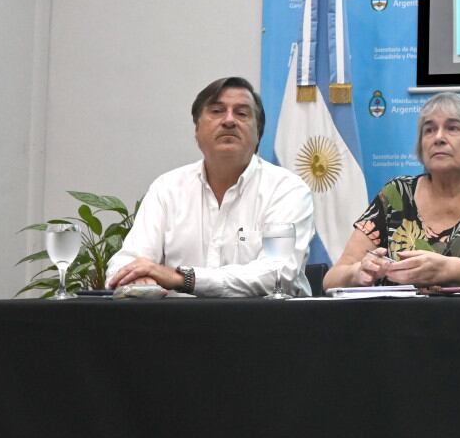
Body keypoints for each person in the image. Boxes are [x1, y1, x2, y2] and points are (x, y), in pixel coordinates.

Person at [108, 76, 315, 296]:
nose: (229, 120)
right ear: (197, 130)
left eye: (242, 113)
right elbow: (126, 262)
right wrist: (140, 278)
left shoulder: (287, 190)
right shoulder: (167, 188)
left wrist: (181, 279)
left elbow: (277, 275)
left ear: (258, 134)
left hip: (265, 324)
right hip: (177, 325)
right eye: (217, 111)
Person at [322, 92, 460, 293]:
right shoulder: (396, 194)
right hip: (400, 327)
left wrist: (449, 269)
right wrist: (358, 271)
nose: (438, 138)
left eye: (453, 128)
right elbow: (331, 279)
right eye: (429, 130)